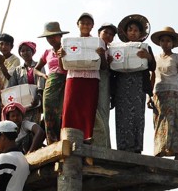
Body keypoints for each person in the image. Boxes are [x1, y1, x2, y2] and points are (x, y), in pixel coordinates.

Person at [60, 13, 107, 143]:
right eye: (83, 23)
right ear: (78, 25)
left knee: (88, 111)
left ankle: (86, 141)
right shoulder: (69, 43)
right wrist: (61, 56)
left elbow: (103, 66)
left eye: (88, 23)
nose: (85, 25)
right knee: (70, 110)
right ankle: (67, 140)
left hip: (91, 80)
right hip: (73, 79)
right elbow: (63, 67)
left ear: (92, 26)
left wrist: (101, 55)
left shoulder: (98, 42)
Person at [112, 14, 155, 153]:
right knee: (122, 116)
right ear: (125, 32)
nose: (133, 32)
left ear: (141, 33)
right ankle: (122, 147)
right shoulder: (117, 48)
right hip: (121, 86)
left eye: (136, 30)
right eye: (130, 30)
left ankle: (137, 148)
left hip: (138, 87)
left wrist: (147, 57)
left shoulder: (145, 48)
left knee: (137, 116)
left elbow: (153, 67)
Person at [149, 27, 178, 159]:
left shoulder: (177, 57)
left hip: (173, 92)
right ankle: (160, 151)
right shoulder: (155, 58)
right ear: (159, 43)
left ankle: (175, 152)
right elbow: (152, 77)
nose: (165, 43)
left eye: (168, 41)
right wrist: (149, 96)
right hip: (158, 92)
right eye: (163, 40)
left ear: (173, 43)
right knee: (159, 122)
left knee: (174, 121)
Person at [35, 22, 69, 144]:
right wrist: (43, 75)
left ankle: (64, 140)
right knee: (49, 112)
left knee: (64, 112)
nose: (51, 39)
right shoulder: (46, 53)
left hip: (66, 81)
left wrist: (62, 56)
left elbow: (66, 68)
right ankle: (52, 142)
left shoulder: (68, 49)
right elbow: (36, 68)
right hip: (51, 83)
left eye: (54, 36)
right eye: (49, 37)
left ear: (60, 36)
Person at [8, 41, 46, 125]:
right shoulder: (17, 70)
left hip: (36, 102)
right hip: (22, 105)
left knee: (35, 125)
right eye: (23, 51)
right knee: (23, 127)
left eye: (28, 50)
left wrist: (39, 96)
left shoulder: (38, 66)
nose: (25, 53)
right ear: (20, 53)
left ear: (32, 52)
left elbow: (41, 82)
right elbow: (11, 86)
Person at [93, 22, 117, 148]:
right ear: (98, 33)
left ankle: (104, 145)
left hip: (104, 82)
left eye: (111, 34)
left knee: (103, 112)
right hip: (90, 80)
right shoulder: (91, 45)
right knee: (92, 111)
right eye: (105, 32)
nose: (108, 35)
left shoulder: (112, 51)